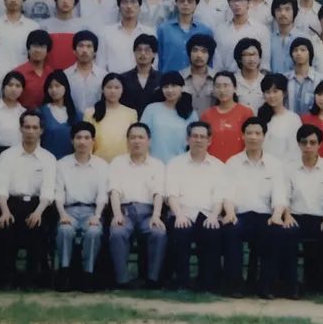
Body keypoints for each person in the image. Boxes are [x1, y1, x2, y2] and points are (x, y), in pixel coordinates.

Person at [273, 124, 323, 297]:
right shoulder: (289, 168)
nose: (308, 147)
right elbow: (283, 195)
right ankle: (291, 285)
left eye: (313, 142)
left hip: (322, 217)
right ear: (299, 144)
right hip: (296, 216)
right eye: (304, 142)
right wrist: (286, 215)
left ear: (320, 144)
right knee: (286, 233)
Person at [220, 117, 287, 298]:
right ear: (242, 135)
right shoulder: (233, 162)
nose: (253, 137)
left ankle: (266, 286)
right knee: (231, 230)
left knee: (276, 231)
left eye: (258, 133)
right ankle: (236, 285)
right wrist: (230, 212)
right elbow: (227, 193)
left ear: (264, 136)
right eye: (249, 133)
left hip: (265, 215)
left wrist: (277, 215)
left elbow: (280, 194)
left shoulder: (275, 164)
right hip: (240, 215)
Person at [0, 111, 57, 287]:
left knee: (37, 226)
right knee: (5, 226)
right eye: (27, 127)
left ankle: (32, 276)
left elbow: (48, 190)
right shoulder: (7, 155)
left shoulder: (48, 158)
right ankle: (7, 277)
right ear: (20, 129)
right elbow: (1, 186)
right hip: (11, 203)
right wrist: (5, 211)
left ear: (41, 131)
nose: (30, 131)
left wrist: (38, 212)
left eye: (35, 128)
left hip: (38, 205)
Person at [165, 121, 226, 291]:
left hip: (208, 214)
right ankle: (182, 282)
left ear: (209, 140)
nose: (198, 140)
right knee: (180, 231)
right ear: (188, 139)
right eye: (194, 136)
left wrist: (214, 216)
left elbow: (219, 197)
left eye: (202, 137)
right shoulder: (175, 164)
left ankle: (207, 283)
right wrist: (179, 215)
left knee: (212, 231)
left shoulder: (219, 166)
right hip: (181, 213)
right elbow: (171, 195)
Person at [108, 123, 168, 289]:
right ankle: (121, 280)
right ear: (127, 141)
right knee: (117, 232)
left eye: (141, 137)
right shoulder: (118, 163)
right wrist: (117, 214)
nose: (136, 141)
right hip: (125, 212)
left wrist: (156, 215)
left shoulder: (157, 165)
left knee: (159, 233)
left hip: (148, 213)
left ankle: (152, 280)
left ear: (149, 141)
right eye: (132, 137)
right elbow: (114, 191)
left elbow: (158, 193)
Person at [53, 121, 108, 291]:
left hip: (91, 211)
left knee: (94, 232)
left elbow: (102, 195)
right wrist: (62, 214)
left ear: (93, 141)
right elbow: (59, 193)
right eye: (78, 138)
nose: (82, 142)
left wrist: (97, 216)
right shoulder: (62, 164)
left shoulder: (101, 165)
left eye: (86, 138)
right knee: (65, 230)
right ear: (72, 140)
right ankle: (64, 272)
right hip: (68, 210)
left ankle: (88, 274)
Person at [141, 71, 198, 162]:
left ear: (182, 87)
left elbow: (194, 142)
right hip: (153, 163)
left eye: (174, 86)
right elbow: (142, 136)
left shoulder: (191, 113)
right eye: (166, 87)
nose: (170, 90)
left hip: (180, 164)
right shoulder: (151, 109)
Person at [156, 0, 213, 73]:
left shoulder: (205, 31)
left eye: (190, 1)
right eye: (182, 1)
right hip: (169, 79)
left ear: (196, 4)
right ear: (176, 3)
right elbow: (158, 59)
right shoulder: (163, 29)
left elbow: (209, 62)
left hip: (196, 79)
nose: (185, 4)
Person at [83, 73, 137, 162]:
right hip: (98, 162)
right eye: (109, 87)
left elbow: (133, 140)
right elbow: (86, 141)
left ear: (123, 90)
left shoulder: (131, 113)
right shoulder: (90, 113)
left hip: (123, 163)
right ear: (103, 89)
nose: (113, 91)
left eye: (117, 88)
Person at [214, 0, 271, 74]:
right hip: (226, 78)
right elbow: (217, 62)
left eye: (241, 0)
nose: (237, 4)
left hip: (252, 78)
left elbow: (264, 64)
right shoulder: (220, 30)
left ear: (248, 3)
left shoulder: (261, 30)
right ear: (229, 3)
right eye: (233, 0)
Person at [201, 71, 253, 163]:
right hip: (213, 165)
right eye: (218, 86)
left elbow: (251, 142)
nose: (222, 90)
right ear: (213, 89)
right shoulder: (206, 115)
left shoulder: (246, 113)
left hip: (238, 165)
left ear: (235, 88)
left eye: (226, 86)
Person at [99, 0, 154, 74]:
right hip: (115, 81)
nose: (129, 6)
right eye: (125, 2)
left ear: (140, 6)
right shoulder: (106, 33)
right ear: (119, 7)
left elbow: (154, 63)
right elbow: (100, 64)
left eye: (133, 2)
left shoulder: (149, 32)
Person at [258, 73, 303, 163]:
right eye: (268, 92)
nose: (271, 96)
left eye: (275, 91)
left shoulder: (293, 119)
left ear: (284, 93)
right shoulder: (260, 117)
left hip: (285, 167)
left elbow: (295, 152)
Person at [41, 0, 84, 71]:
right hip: (51, 74)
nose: (65, 1)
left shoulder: (82, 27)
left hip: (75, 74)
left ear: (75, 1)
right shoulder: (44, 26)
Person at [0, 71, 27, 156]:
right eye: (10, 85)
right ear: (3, 87)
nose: (13, 89)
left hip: (20, 155)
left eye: (18, 86)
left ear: (22, 90)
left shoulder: (24, 113)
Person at [118, 34, 162, 116]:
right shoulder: (123, 78)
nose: (142, 53)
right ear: (134, 53)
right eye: (139, 50)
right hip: (129, 121)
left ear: (154, 54)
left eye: (147, 50)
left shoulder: (161, 79)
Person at [64, 30, 105, 116]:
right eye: (81, 46)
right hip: (72, 120)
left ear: (95, 51)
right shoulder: (66, 75)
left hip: (97, 120)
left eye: (89, 46)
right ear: (74, 50)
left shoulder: (103, 76)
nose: (85, 50)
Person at [12, 29, 54, 109]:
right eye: (35, 46)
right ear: (28, 48)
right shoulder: (18, 73)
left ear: (47, 51)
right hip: (23, 114)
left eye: (42, 46)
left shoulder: (51, 73)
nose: (38, 50)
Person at [39, 70, 77, 159]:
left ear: (65, 87)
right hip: (47, 160)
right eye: (50, 87)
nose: (54, 90)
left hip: (70, 161)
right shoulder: (41, 112)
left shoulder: (76, 114)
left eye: (57, 86)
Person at [267, 0, 307, 75]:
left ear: (294, 12)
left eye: (287, 9)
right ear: (274, 13)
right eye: (279, 10)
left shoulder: (304, 38)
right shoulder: (268, 39)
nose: (283, 13)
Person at [284, 37, 322, 115]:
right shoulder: (285, 79)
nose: (299, 53)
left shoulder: (320, 80)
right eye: (295, 50)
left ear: (310, 53)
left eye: (303, 50)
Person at [179, 34, 216, 115]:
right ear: (189, 53)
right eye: (195, 50)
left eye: (204, 51)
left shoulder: (217, 78)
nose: (199, 55)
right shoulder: (179, 77)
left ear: (210, 55)